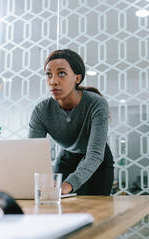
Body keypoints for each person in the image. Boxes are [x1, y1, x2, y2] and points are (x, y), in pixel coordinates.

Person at [28, 49, 114, 195]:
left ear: (77, 78)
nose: (53, 81)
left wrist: (68, 184)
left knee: (97, 211)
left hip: (97, 161)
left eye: (61, 73)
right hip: (67, 159)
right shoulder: (41, 110)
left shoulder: (96, 104)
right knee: (61, 210)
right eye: (49, 74)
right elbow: (34, 154)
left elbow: (94, 154)